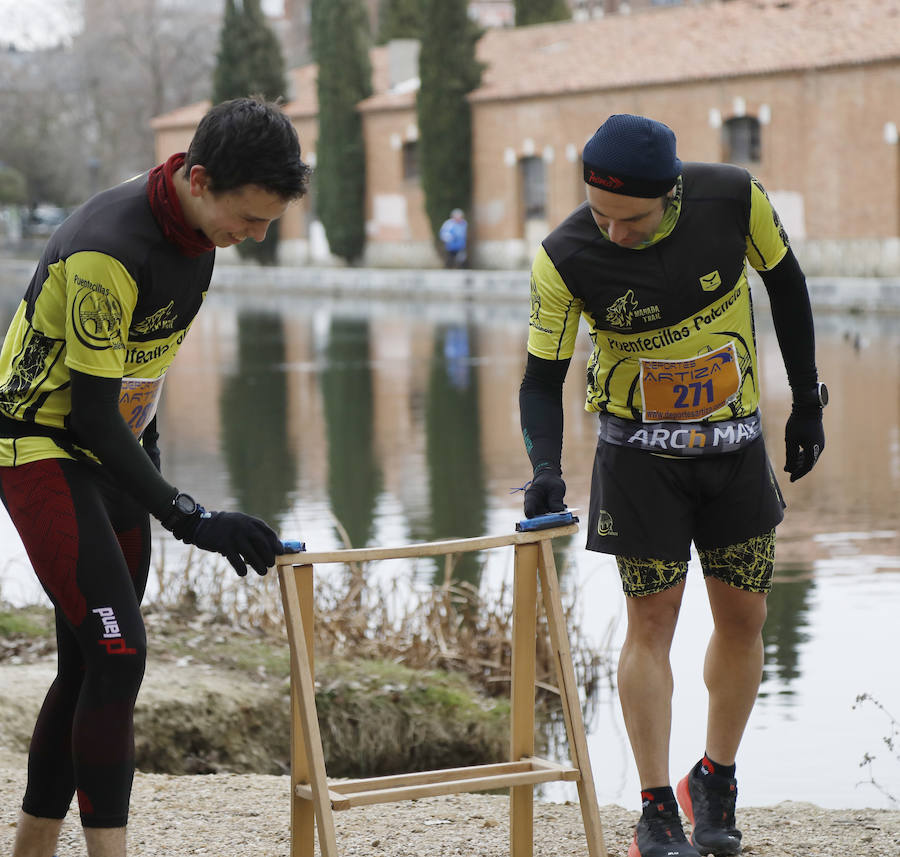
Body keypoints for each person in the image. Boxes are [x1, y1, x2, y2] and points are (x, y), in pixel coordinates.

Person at [0, 96, 311, 857]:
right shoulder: (109, 248)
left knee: (89, 656)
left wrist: (156, 473)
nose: (255, 237)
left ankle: (30, 850)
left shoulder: (201, 238)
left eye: (269, 222)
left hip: (119, 446)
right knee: (117, 652)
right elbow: (93, 417)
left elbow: (144, 376)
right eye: (250, 218)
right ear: (199, 179)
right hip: (41, 444)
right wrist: (192, 516)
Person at [519, 114, 826, 857]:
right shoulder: (564, 256)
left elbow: (787, 284)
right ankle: (656, 808)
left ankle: (714, 778)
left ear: (674, 194)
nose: (614, 232)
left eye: (633, 219)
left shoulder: (732, 199)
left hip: (734, 448)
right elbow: (541, 379)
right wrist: (545, 467)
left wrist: (807, 400)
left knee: (746, 616)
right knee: (650, 623)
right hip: (640, 460)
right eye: (600, 215)